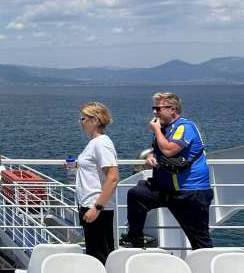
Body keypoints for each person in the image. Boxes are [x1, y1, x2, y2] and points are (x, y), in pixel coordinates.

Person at [120, 92, 213, 250]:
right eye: (153, 108)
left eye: (158, 108)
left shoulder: (185, 127)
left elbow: (169, 151)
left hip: (190, 192)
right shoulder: (166, 129)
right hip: (168, 190)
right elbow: (160, 151)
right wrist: (151, 155)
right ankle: (135, 237)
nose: (154, 112)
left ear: (173, 109)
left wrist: (156, 129)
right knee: (137, 194)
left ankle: (207, 267)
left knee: (200, 242)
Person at [73, 102, 119, 264]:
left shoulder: (102, 143)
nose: (81, 122)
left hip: (97, 208)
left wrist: (97, 208)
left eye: (83, 118)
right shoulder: (94, 143)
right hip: (90, 205)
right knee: (95, 252)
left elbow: (113, 178)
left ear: (96, 120)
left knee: (100, 255)